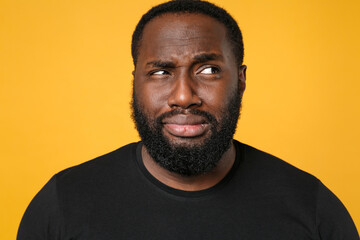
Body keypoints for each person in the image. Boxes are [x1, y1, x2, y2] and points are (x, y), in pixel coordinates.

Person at [18, 0, 359, 239]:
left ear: (240, 80)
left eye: (209, 70)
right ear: (136, 80)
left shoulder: (312, 208)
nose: (184, 96)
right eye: (161, 71)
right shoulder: (63, 204)